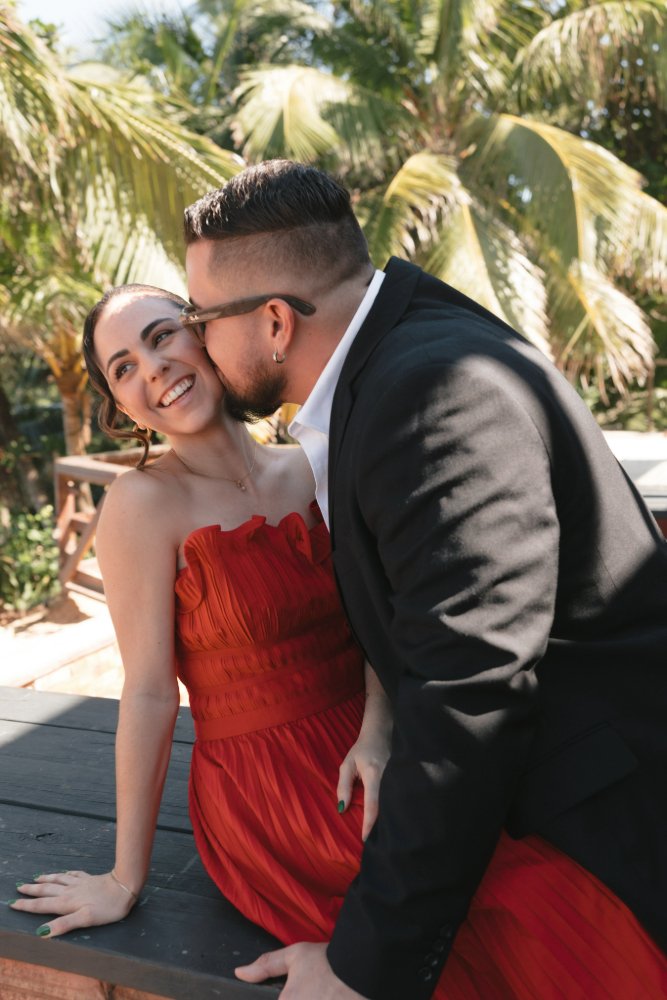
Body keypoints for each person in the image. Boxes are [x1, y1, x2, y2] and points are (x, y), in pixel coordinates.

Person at [179, 159, 667, 1000]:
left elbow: (471, 688)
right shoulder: (406, 344)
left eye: (200, 317)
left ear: (272, 322)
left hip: (604, 836)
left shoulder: (429, 393)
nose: (194, 342)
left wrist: (358, 968)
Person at [10, 283, 393, 944]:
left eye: (161, 336)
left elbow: (382, 617)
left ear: (205, 334)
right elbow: (151, 691)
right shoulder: (141, 505)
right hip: (269, 787)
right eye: (123, 367)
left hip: (382, 744)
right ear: (120, 403)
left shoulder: (312, 464)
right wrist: (125, 878)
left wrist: (382, 728)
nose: (152, 367)